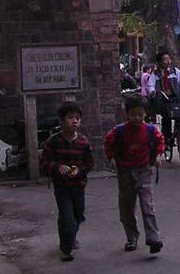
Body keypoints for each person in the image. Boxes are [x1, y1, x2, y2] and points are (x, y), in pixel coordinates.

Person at [103, 95, 166, 254]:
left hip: (144, 170)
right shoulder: (119, 131)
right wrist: (111, 158)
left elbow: (160, 142)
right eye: (133, 114)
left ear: (145, 114)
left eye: (140, 114)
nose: (136, 118)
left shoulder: (151, 130)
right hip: (125, 173)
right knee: (126, 207)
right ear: (127, 114)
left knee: (147, 206)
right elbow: (108, 142)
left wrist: (159, 155)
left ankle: (153, 238)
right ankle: (131, 237)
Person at [38, 102, 94, 262]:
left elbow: (89, 163)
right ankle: (66, 249)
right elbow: (44, 162)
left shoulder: (83, 142)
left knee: (77, 215)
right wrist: (57, 167)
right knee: (67, 217)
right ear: (61, 120)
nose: (74, 121)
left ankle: (70, 235)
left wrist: (79, 170)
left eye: (77, 118)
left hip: (79, 186)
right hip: (62, 187)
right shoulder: (53, 141)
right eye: (70, 118)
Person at [146, 51, 180, 143]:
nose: (168, 61)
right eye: (165, 60)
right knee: (166, 118)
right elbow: (150, 86)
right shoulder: (155, 74)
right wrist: (152, 92)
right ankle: (167, 139)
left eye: (169, 59)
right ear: (159, 62)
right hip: (163, 99)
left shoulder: (175, 71)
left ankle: (179, 134)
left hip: (175, 97)